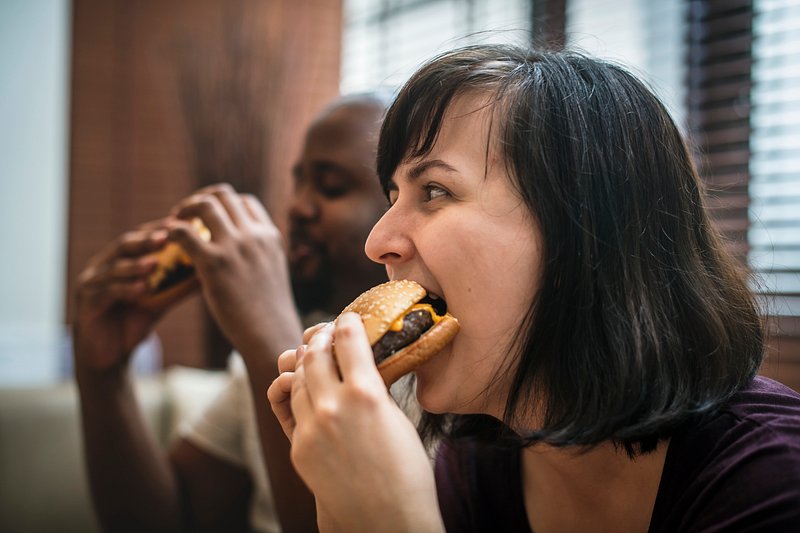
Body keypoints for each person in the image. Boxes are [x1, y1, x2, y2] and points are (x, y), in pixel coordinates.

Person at [269, 44, 800, 532]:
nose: (378, 241)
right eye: (393, 196)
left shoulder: (772, 481)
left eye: (434, 190)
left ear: (583, 238)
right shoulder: (482, 459)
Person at [72, 93, 390, 532]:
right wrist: (102, 373)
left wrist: (268, 337)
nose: (297, 206)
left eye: (331, 186)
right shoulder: (264, 358)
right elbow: (171, 519)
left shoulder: (426, 377)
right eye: (298, 183)